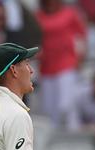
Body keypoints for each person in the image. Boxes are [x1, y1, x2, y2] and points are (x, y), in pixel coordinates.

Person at [36, 0, 86, 130]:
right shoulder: (37, 16)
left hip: (66, 64)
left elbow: (81, 35)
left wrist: (80, 57)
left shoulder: (70, 13)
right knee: (49, 109)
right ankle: (53, 142)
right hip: (46, 67)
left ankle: (74, 133)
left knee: (66, 105)